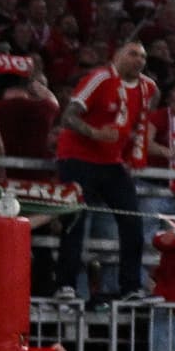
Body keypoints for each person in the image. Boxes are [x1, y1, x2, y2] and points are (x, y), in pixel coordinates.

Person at [57, 39, 158, 299]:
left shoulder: (148, 88)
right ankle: (66, 285)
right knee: (75, 218)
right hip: (78, 158)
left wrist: (130, 155)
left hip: (111, 162)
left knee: (132, 220)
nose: (139, 60)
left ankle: (131, 286)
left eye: (143, 57)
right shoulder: (100, 78)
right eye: (133, 54)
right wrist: (94, 132)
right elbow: (68, 116)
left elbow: (137, 126)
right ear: (117, 55)